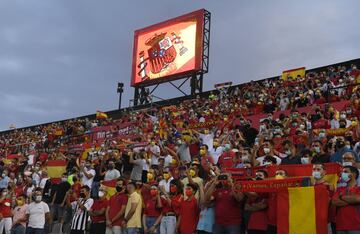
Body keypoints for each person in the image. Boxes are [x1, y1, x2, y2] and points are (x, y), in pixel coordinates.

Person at [331, 166, 360, 233]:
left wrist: (341, 197)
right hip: (340, 226)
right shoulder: (339, 189)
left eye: (345, 172)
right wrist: (351, 200)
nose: (342, 174)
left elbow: (358, 199)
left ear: (353, 174)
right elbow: (334, 202)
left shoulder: (359, 188)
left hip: (356, 226)